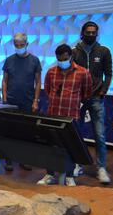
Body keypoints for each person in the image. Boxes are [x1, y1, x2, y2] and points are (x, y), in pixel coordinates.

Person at [37, 44, 92, 187]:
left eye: (65, 59)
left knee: (70, 147)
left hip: (71, 117)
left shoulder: (83, 73)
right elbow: (48, 90)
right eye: (59, 59)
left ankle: (69, 176)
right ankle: (49, 174)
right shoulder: (51, 72)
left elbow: (87, 93)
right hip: (53, 115)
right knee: (52, 146)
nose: (62, 61)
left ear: (71, 57)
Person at [72, 21, 112, 184]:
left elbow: (109, 74)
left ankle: (101, 168)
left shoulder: (104, 51)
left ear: (97, 33)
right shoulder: (75, 51)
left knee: (100, 135)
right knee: (76, 134)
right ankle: (76, 164)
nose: (90, 35)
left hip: (96, 98)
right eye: (87, 32)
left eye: (93, 32)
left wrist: (102, 91)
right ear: (82, 33)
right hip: (78, 99)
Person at [2, 33, 42, 171]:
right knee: (9, 131)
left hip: (28, 102)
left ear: (27, 44)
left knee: (26, 132)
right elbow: (5, 80)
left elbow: (38, 82)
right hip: (11, 102)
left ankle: (24, 160)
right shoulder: (9, 60)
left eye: (21, 45)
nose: (19, 47)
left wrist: (36, 101)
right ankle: (8, 160)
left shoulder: (35, 61)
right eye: (16, 45)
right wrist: (5, 97)